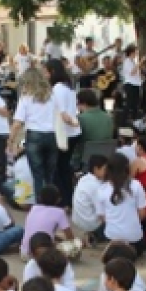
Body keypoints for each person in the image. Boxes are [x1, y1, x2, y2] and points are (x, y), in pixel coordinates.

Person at [11, 68, 59, 197]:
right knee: (50, 175)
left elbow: (17, 123)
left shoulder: (26, 97)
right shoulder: (52, 95)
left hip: (34, 136)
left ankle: (41, 205)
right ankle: (51, 203)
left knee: (38, 176)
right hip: (52, 135)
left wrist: (10, 140)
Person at [95, 152, 146, 253]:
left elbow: (102, 218)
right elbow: (143, 214)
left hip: (112, 236)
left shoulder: (102, 189)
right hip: (134, 237)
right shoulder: (136, 185)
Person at [48, 59, 82, 206]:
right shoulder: (69, 88)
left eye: (46, 71)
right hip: (73, 133)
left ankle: (64, 200)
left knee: (58, 168)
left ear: (53, 72)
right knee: (64, 167)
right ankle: (68, 199)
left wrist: (74, 122)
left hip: (64, 134)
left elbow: (64, 115)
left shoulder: (57, 89)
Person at [22, 187, 72, 256]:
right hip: (43, 256)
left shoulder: (34, 208)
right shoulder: (60, 212)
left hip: (24, 253)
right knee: (70, 246)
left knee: (58, 236)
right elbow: (70, 236)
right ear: (58, 199)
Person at [72, 155, 107, 239]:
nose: (107, 172)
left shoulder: (84, 178)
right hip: (91, 223)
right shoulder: (95, 186)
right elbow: (102, 213)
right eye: (105, 169)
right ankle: (94, 235)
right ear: (96, 169)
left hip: (78, 220)